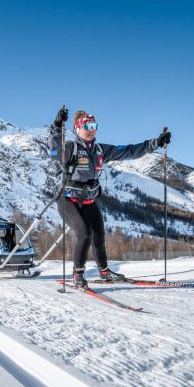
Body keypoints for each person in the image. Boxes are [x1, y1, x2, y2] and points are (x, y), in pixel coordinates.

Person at [48, 106, 171, 287]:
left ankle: (105, 272)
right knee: (85, 233)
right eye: (86, 126)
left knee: (99, 235)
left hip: (89, 200)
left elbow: (129, 150)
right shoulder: (70, 148)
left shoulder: (100, 150)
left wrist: (156, 143)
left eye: (94, 126)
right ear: (76, 128)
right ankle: (78, 274)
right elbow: (52, 150)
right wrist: (57, 125)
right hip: (68, 200)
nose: (91, 130)